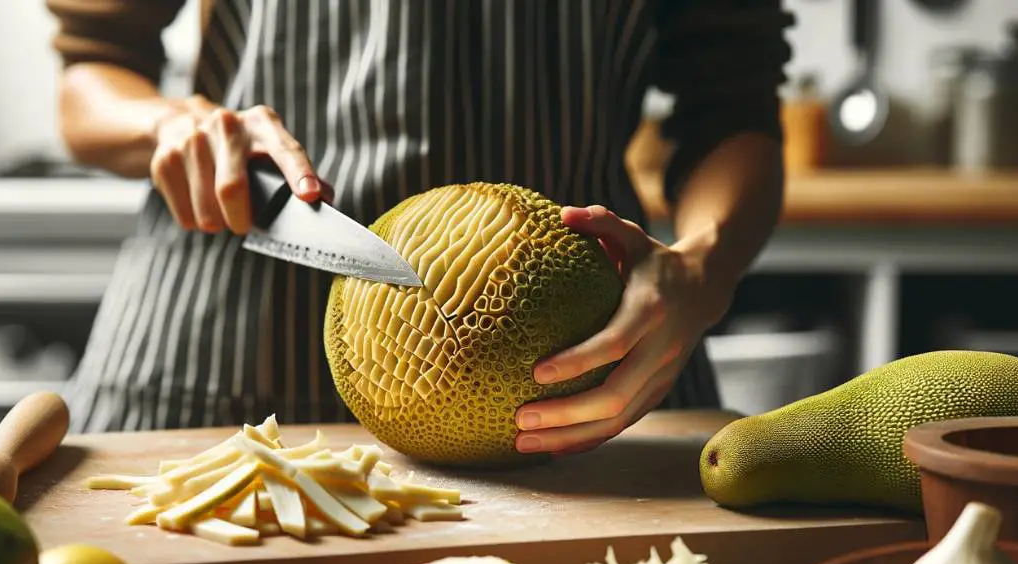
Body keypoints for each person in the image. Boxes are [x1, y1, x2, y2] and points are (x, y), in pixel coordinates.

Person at [46, 0, 793, 456]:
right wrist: (173, 126)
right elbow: (91, 71)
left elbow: (734, 104)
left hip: (581, 362)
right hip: (227, 344)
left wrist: (702, 266)